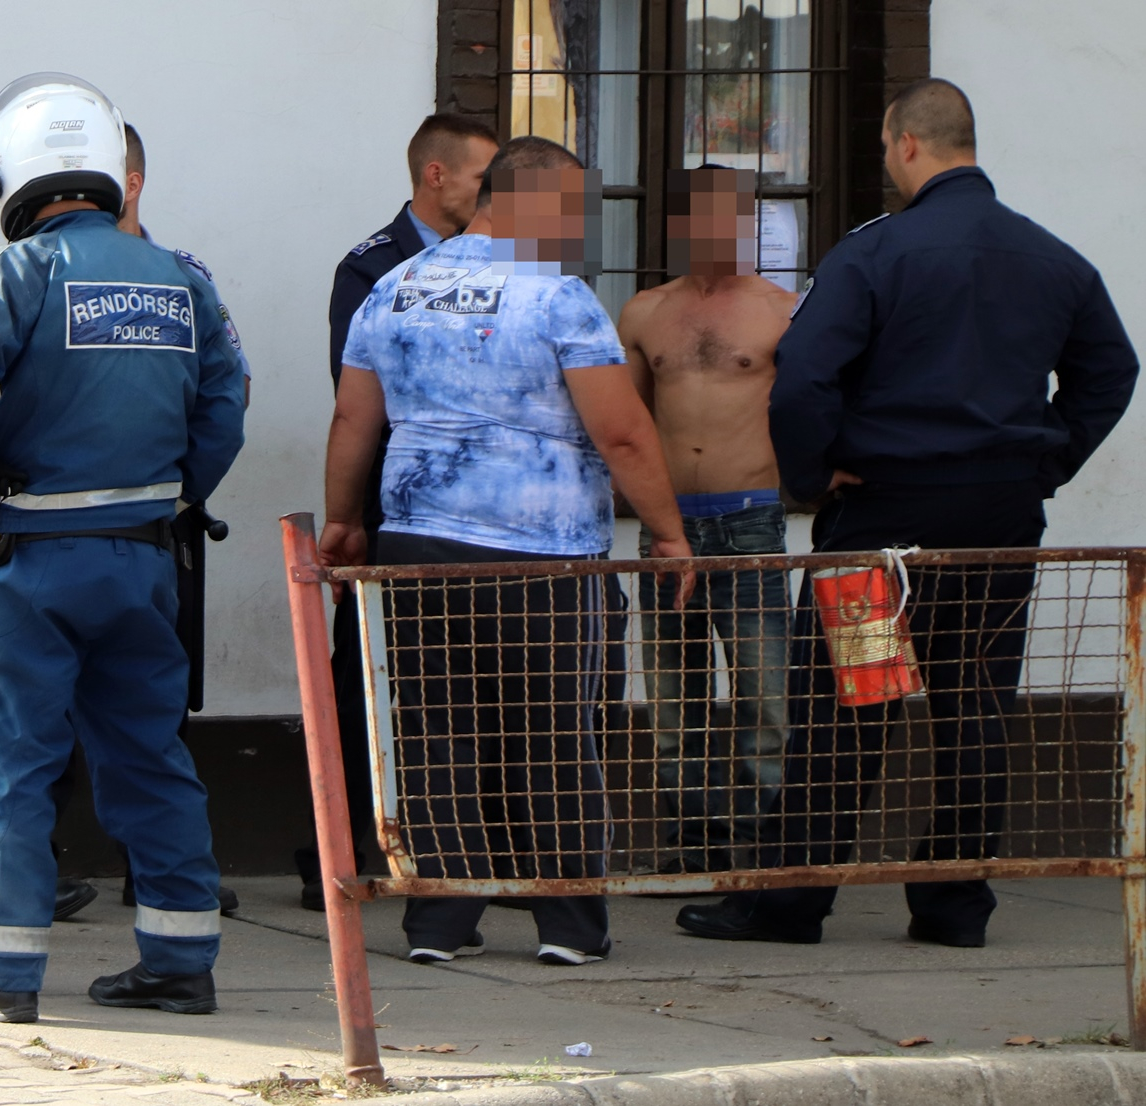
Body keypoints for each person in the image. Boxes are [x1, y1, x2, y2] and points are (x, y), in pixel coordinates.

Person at [676, 78, 1138, 948]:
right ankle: (955, 908)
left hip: (881, 526)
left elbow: (804, 380)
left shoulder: (874, 254)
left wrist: (814, 476)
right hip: (998, 525)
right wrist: (1043, 464)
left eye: (888, 146)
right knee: (975, 701)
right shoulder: (1054, 258)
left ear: (908, 144)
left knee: (851, 703)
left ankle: (791, 904)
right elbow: (1111, 371)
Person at [0, 73, 245, 1024]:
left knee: (13, 763)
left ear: (15, 173)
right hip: (144, 559)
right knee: (151, 756)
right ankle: (180, 962)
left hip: (33, 562)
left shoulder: (17, 273)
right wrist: (174, 492)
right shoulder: (181, 279)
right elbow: (225, 408)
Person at [321, 136, 693, 965]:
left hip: (416, 544)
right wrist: (668, 533)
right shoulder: (557, 296)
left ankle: (439, 924)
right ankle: (568, 926)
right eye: (574, 209)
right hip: (541, 553)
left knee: (434, 734)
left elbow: (353, 418)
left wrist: (344, 520)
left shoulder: (396, 286)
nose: (580, 227)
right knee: (554, 733)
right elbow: (623, 432)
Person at [300, 113, 498, 912]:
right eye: (483, 177)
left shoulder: (511, 262)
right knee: (368, 680)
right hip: (398, 509)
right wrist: (348, 515)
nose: (493, 193)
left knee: (485, 687)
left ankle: (486, 855)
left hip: (486, 514)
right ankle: (346, 851)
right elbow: (361, 397)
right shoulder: (374, 267)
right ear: (436, 175)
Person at [617, 165, 795, 878]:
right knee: (673, 702)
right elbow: (627, 423)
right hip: (668, 528)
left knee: (765, 698)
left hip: (749, 520)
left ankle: (761, 854)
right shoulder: (645, 312)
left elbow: (814, 408)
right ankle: (691, 845)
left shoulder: (783, 311)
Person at [113, 119, 247, 916]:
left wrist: (182, 495)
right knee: (39, 719)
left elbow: (229, 394)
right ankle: (40, 872)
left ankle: (156, 878)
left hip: (157, 529)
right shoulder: (27, 271)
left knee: (155, 707)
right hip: (53, 531)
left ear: (131, 182)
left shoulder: (181, 277)